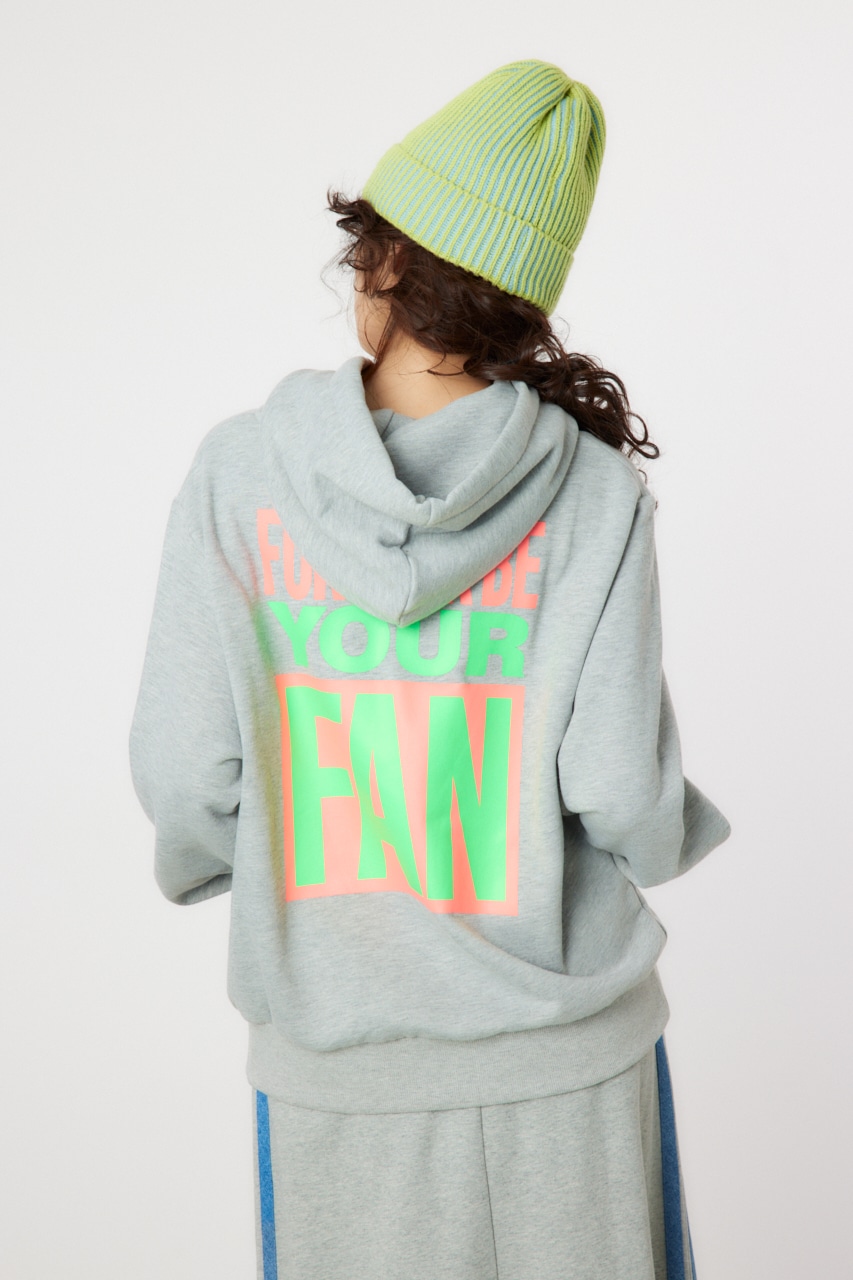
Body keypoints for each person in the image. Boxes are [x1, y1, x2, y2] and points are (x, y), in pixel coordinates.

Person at [130, 58, 731, 1280]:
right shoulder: (592, 491)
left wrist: (254, 867)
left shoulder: (240, 478)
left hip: (340, 1065)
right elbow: (621, 786)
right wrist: (670, 836)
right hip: (569, 1055)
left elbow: (186, 772)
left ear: (390, 266)